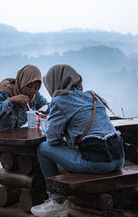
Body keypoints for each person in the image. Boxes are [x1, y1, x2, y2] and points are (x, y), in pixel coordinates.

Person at [31, 64, 125, 217]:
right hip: (119, 157)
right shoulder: (92, 96)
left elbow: (52, 139)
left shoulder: (60, 101)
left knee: (42, 148)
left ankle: (57, 202)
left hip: (97, 161)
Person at [0, 64, 49, 160]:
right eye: (29, 86)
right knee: (17, 160)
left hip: (8, 139)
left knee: (35, 154)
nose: (32, 90)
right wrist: (11, 101)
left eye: (36, 87)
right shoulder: (2, 93)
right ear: (22, 82)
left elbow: (49, 107)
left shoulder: (35, 97)